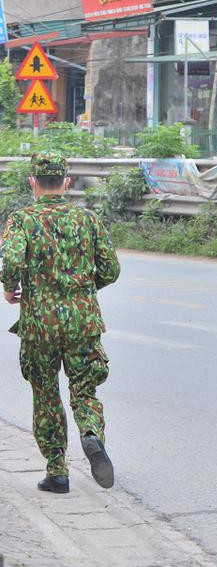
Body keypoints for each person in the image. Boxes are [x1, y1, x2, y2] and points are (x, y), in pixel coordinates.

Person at [2, 153, 120, 494]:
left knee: (46, 392)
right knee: (84, 390)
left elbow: (9, 260)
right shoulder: (88, 219)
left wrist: (11, 288)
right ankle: (91, 433)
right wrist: (82, 288)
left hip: (40, 323)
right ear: (66, 182)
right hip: (83, 320)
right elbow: (111, 270)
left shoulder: (22, 220)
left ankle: (57, 471)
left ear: (32, 182)